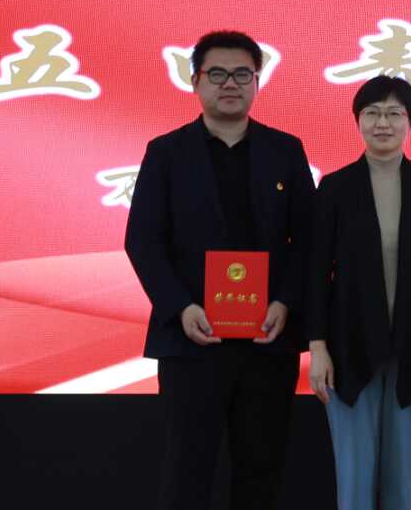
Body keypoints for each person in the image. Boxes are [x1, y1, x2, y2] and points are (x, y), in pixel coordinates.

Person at [124, 30, 315, 510]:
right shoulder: (166, 153)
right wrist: (180, 307)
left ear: (257, 82)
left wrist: (285, 301)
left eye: (242, 74)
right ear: (195, 81)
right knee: (187, 470)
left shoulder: (285, 151)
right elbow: (143, 241)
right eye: (217, 74)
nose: (230, 84)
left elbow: (309, 240)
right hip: (193, 339)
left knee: (261, 469)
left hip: (267, 339)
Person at [307, 75, 411, 510]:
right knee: (353, 479)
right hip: (348, 350)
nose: (383, 123)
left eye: (395, 113)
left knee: (403, 480)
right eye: (372, 113)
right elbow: (315, 273)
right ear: (358, 120)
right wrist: (317, 348)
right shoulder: (335, 187)